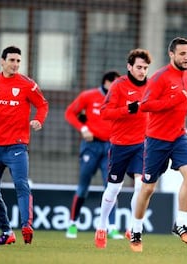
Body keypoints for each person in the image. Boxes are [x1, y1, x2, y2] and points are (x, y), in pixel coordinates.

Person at [129, 37, 187, 252]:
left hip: (179, 137)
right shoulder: (160, 76)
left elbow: (183, 98)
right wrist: (173, 102)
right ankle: (136, 230)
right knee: (148, 188)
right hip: (157, 140)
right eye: (182, 54)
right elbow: (146, 105)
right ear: (172, 54)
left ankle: (181, 224)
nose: (186, 57)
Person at [0, 46, 49, 245]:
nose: (15, 64)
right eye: (12, 60)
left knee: (21, 184)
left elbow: (42, 104)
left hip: (17, 146)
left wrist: (38, 120)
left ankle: (26, 225)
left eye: (18, 60)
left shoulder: (27, 84)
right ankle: (7, 232)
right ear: (2, 61)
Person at [94, 49, 152, 249]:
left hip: (141, 144)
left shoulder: (151, 86)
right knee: (114, 188)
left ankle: (133, 228)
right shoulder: (119, 86)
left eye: (145, 68)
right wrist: (127, 109)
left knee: (140, 186)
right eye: (138, 67)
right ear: (129, 67)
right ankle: (102, 226)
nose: (142, 71)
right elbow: (104, 113)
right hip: (119, 145)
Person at [65, 70, 125, 239]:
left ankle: (111, 228)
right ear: (106, 82)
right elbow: (69, 113)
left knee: (111, 187)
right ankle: (72, 224)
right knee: (83, 186)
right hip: (91, 146)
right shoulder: (88, 96)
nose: (117, 88)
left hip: (111, 148)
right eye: (114, 84)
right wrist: (83, 128)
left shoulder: (119, 100)